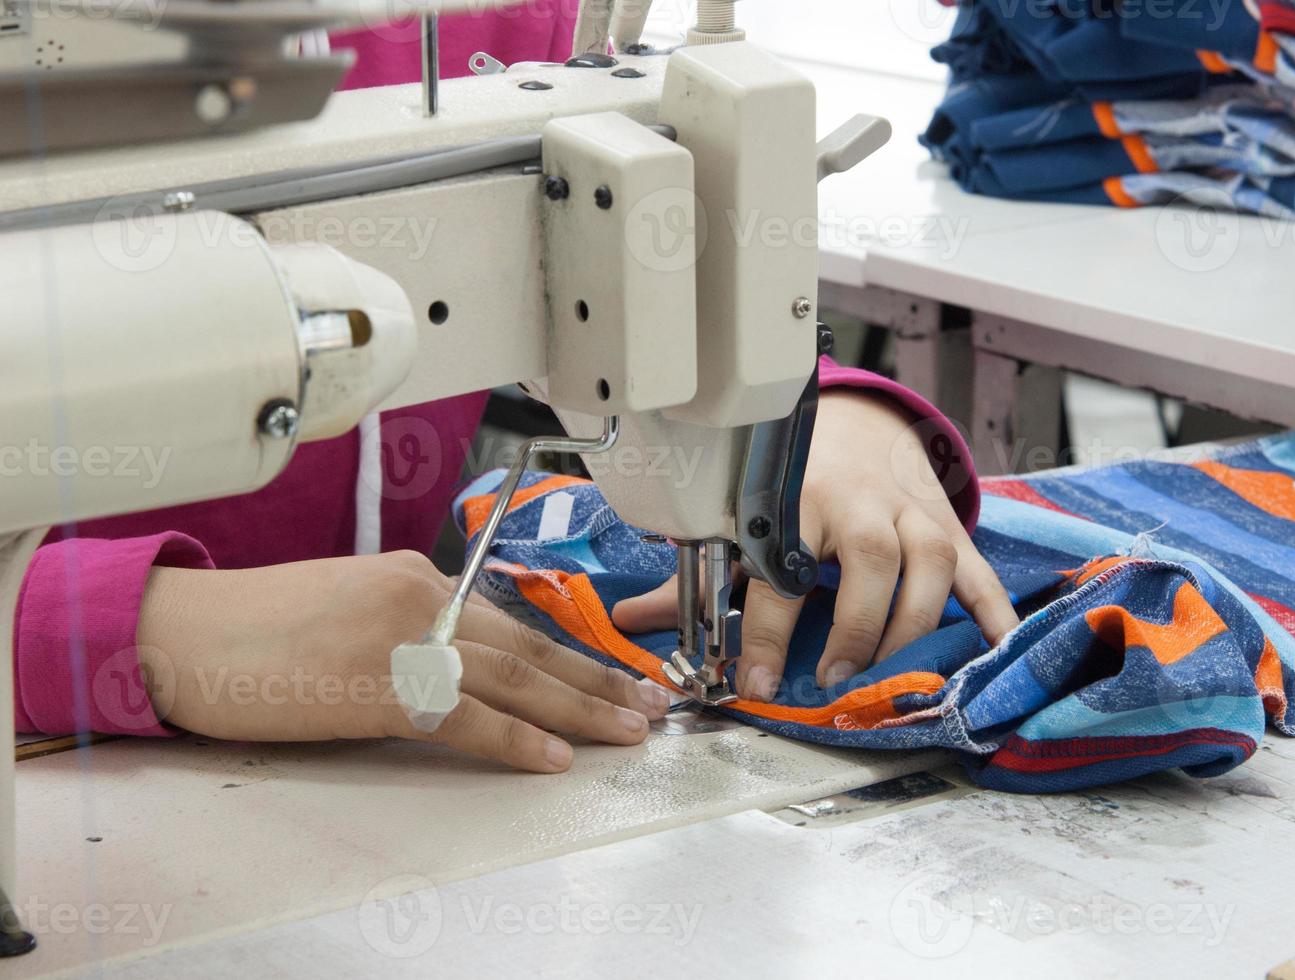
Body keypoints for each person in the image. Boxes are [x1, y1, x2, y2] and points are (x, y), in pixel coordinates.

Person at [12, 9, 1018, 774]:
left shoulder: (511, 18)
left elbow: (631, 242)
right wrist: (150, 628)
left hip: (388, 779)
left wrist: (809, 412)